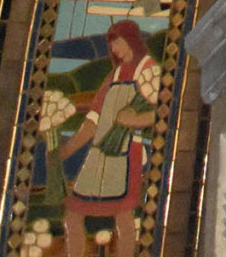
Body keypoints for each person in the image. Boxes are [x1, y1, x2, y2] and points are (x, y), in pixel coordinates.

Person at [60, 20, 155, 256]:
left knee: (123, 215)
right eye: (111, 45)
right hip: (100, 152)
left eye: (117, 42)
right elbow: (94, 117)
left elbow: (163, 112)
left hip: (127, 153)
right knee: (73, 214)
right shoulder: (115, 74)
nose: (114, 49)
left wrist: (134, 120)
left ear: (131, 40)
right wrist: (69, 147)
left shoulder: (149, 70)